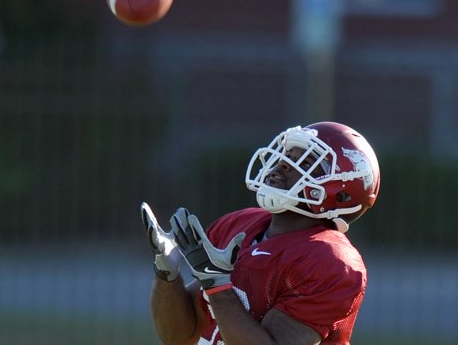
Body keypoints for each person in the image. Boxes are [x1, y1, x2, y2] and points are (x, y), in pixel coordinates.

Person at [141, 121, 381, 345]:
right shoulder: (239, 224)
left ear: (341, 194)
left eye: (306, 162)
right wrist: (167, 274)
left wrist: (216, 285)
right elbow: (179, 337)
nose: (284, 163)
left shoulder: (332, 261)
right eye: (288, 154)